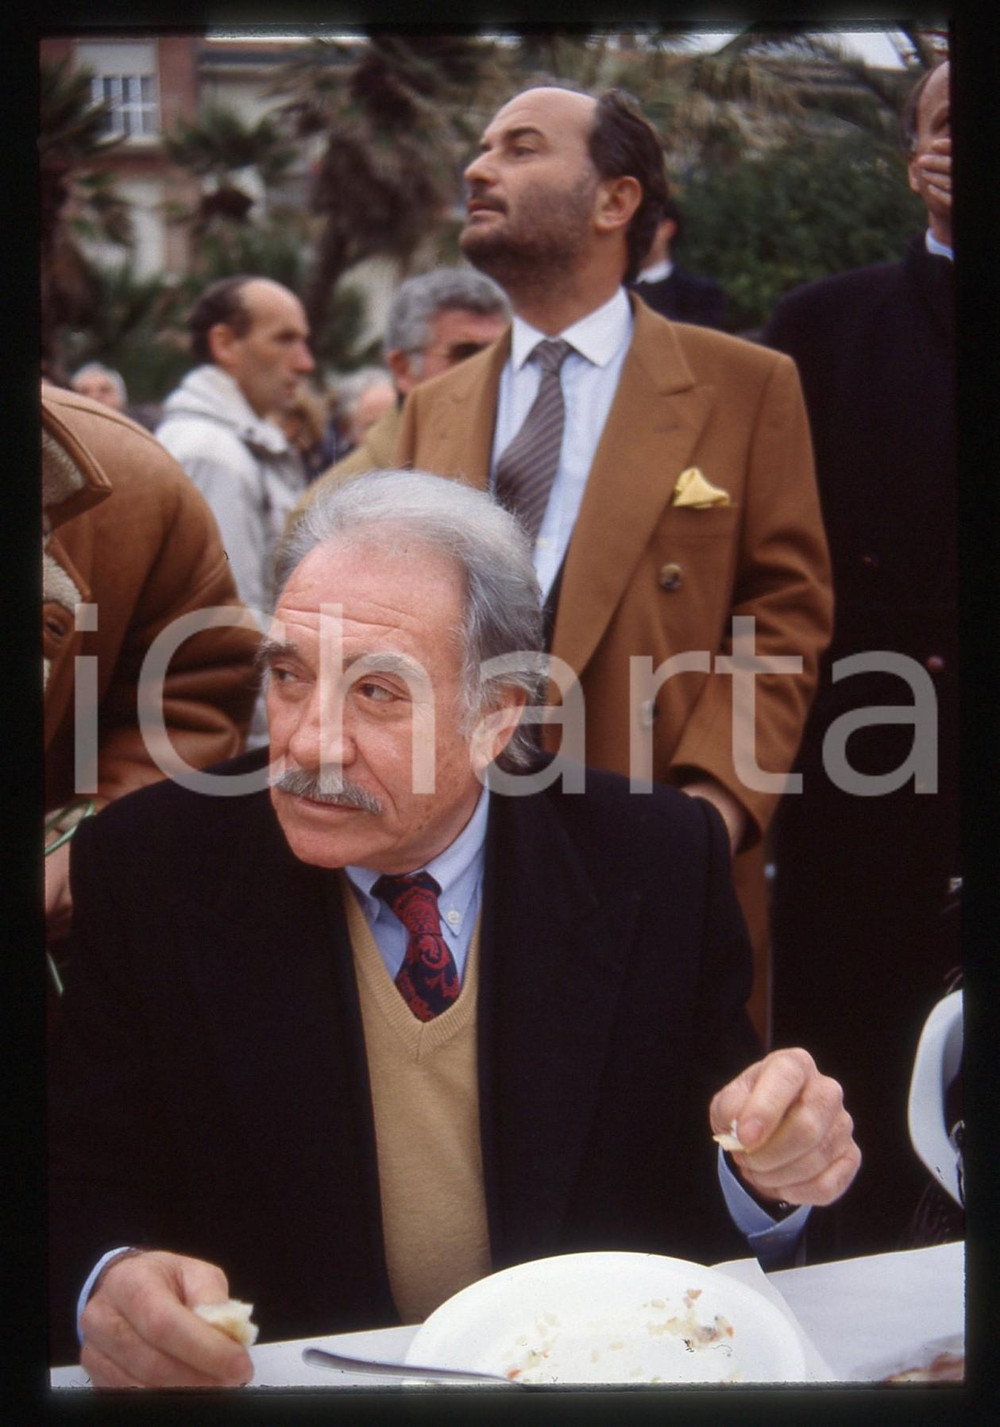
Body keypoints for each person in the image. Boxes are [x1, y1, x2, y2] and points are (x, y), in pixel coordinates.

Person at [48, 470, 860, 1386]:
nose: (309, 741)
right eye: (287, 676)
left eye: (377, 692)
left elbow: (706, 1177)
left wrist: (770, 1166)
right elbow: (80, 1177)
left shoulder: (654, 859)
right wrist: (107, 1279)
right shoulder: (150, 868)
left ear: (497, 716)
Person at [395, 86, 832, 1042]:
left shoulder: (746, 385)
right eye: (482, 147)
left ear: (616, 199)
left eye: (520, 148)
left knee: (661, 1114)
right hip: (449, 863)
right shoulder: (434, 406)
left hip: (653, 848)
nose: (478, 168)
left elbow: (784, 612)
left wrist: (715, 808)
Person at [762, 58, 957, 1256]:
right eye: (948, 119)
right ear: (910, 157)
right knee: (859, 1092)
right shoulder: (819, 327)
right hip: (865, 773)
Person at [42, 384, 261, 949]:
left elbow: (197, 691)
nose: (304, 362)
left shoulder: (132, 478)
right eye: (285, 341)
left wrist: (85, 838)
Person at [155, 276, 315, 623]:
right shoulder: (211, 451)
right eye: (284, 339)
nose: (305, 362)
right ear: (224, 344)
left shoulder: (236, 443)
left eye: (303, 341)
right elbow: (230, 620)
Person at [296, 267, 509, 506]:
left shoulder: (517, 464)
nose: (489, 370)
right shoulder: (336, 506)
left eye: (500, 355)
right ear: (403, 368)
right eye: (466, 355)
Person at [630, 195, 728, 330]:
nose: (634, 234)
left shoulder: (701, 294)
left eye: (643, 226)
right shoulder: (613, 289)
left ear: (667, 229)